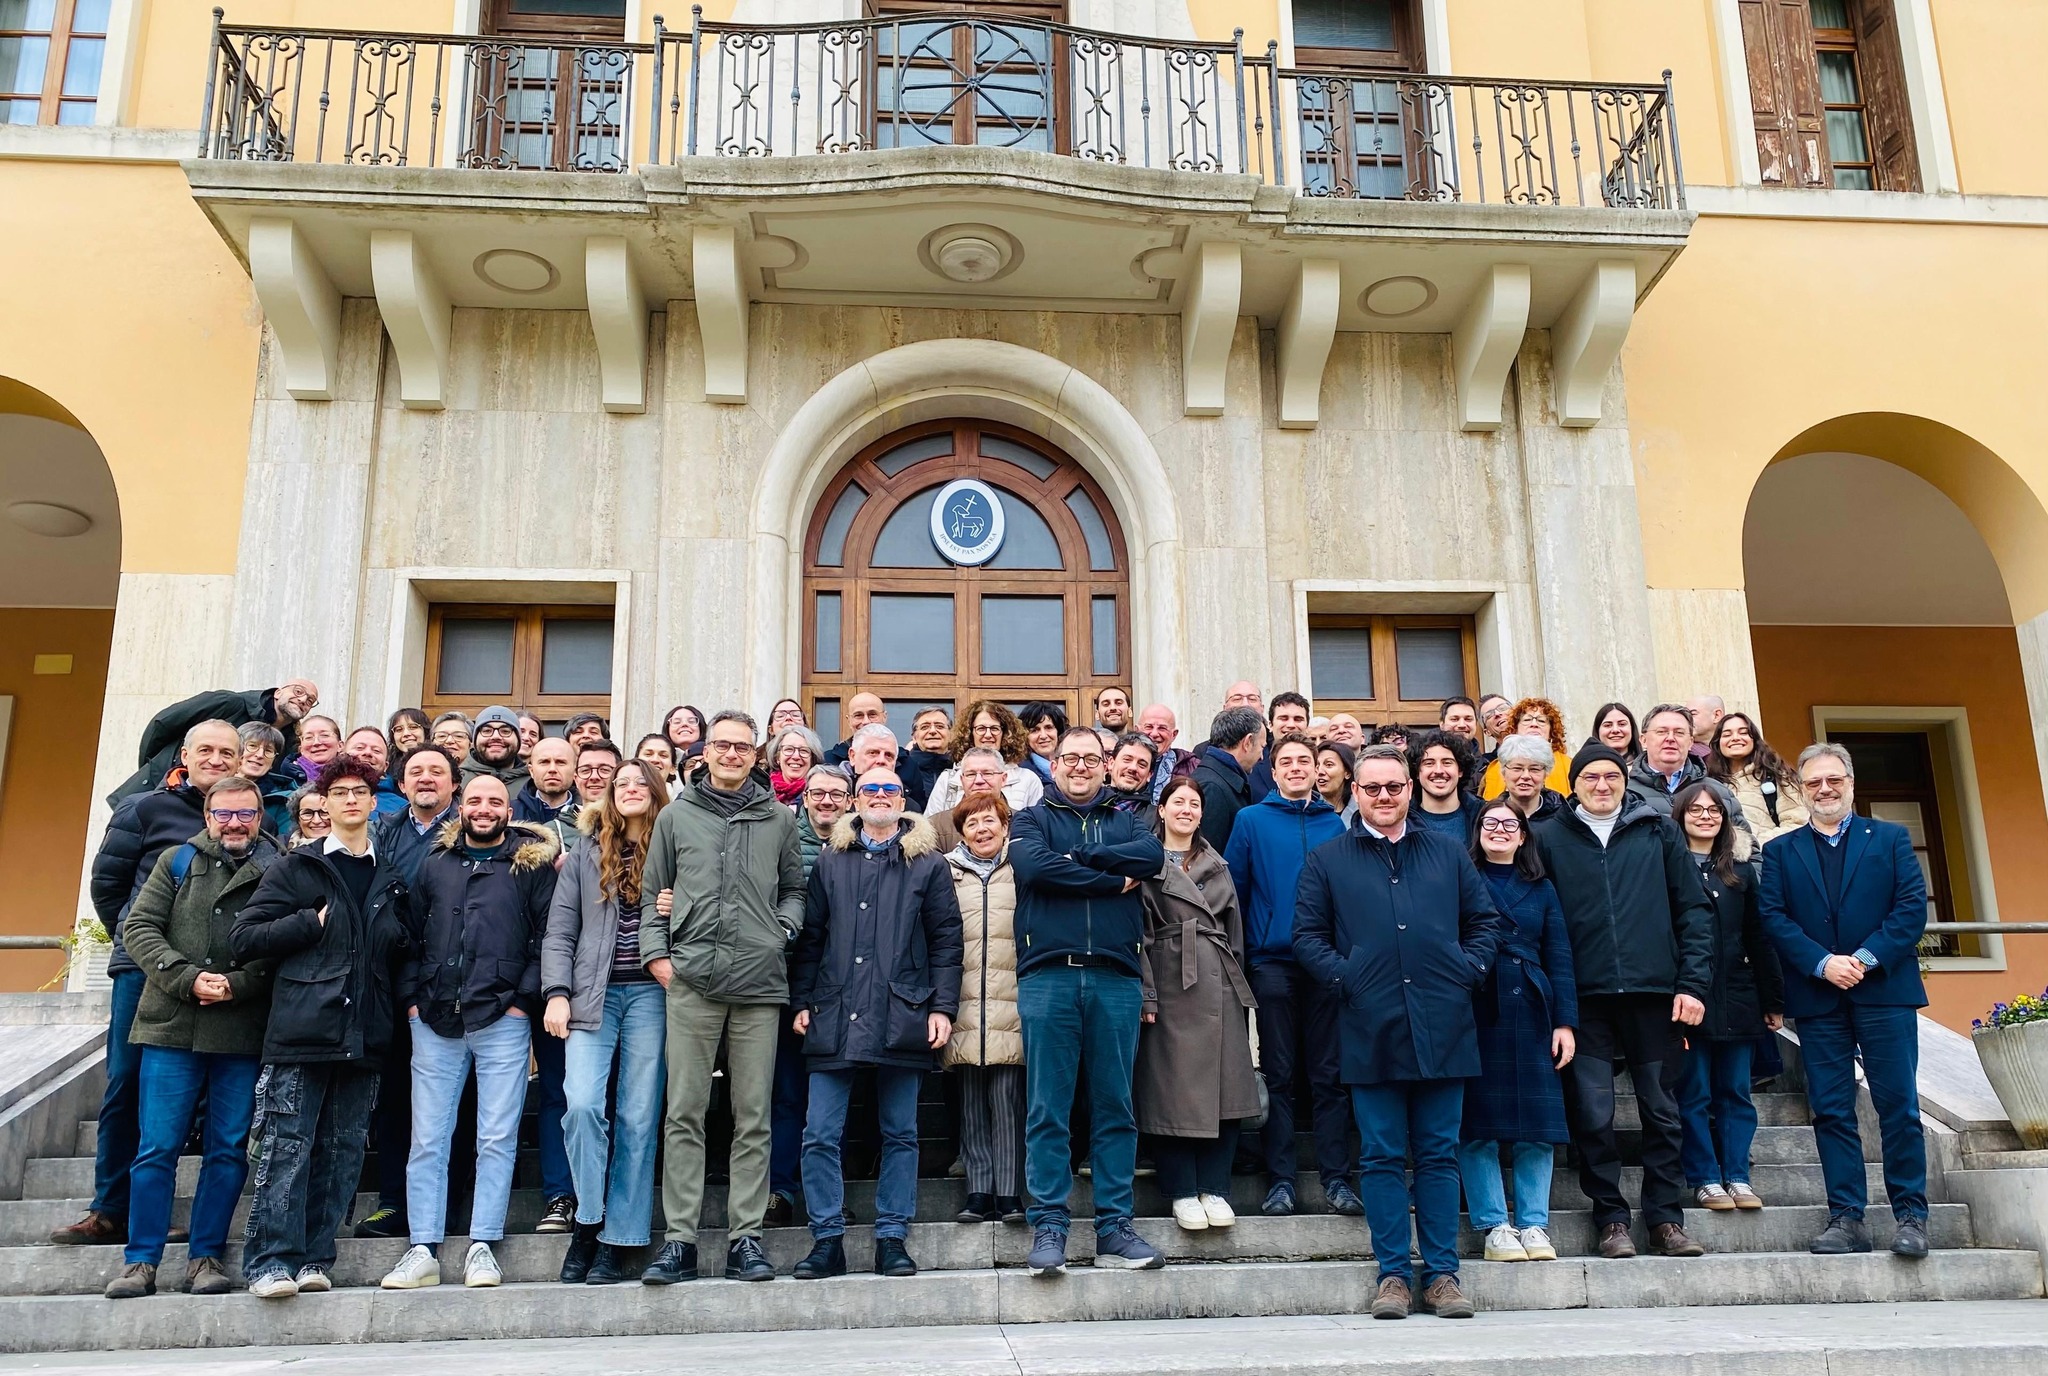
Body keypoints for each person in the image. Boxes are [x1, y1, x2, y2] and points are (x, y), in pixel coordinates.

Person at [1292, 745, 1502, 1321]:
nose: (1384, 797)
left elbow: (1484, 923)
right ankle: (1392, 1276)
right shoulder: (1328, 859)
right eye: (1372, 788)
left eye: (1394, 786)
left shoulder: (1450, 853)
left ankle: (1441, 1276)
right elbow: (1306, 936)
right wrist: (1347, 978)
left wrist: (1468, 971)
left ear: (1410, 788)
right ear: (1355, 792)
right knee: (1382, 1157)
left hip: (1444, 1022)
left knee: (1437, 1156)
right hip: (1368, 1024)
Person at [55, 720, 244, 1250]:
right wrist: (146, 946)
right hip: (145, 975)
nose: (216, 758)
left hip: (216, 980)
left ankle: (157, 1212)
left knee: (196, 1096)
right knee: (127, 1083)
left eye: (226, 752)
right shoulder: (144, 809)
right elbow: (109, 888)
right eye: (205, 749)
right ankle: (110, 1207)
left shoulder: (247, 820)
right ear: (184, 754)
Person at [231, 755, 410, 1298]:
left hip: (365, 1032)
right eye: (340, 793)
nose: (351, 800)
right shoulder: (296, 868)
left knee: (343, 1151)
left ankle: (314, 1257)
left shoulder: (391, 876)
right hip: (303, 1029)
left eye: (360, 792)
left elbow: (403, 949)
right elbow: (244, 939)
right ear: (324, 805)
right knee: (287, 1146)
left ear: (373, 802)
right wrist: (308, 922)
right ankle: (269, 1262)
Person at [638, 710, 804, 1285]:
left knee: (752, 1116)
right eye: (722, 746)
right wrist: (659, 957)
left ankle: (745, 1240)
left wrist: (781, 931)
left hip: (759, 985)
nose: (732, 754)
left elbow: (795, 889)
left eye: (742, 747)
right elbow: (651, 891)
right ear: (706, 752)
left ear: (757, 755)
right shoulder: (676, 817)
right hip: (691, 982)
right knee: (683, 1113)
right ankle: (680, 1240)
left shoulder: (779, 819)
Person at [101, 775, 281, 1299]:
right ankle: (141, 1261)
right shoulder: (175, 862)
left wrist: (238, 984)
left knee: (227, 1150)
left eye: (245, 814)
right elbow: (138, 928)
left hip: (240, 1030)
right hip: (170, 1027)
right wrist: (184, 976)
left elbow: (285, 939)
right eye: (223, 814)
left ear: (259, 816)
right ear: (208, 817)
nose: (234, 824)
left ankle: (206, 1257)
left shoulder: (276, 868)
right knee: (156, 1147)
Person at [1532, 742, 1712, 1260]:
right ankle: (1610, 1218)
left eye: (1611, 776)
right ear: (1575, 785)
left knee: (1662, 1111)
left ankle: (1664, 1220)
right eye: (1591, 778)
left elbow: (1694, 911)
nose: (1602, 785)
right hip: (1583, 999)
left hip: (1655, 995)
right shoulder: (1547, 837)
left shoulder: (1658, 830)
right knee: (1592, 1113)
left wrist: (1692, 985)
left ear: (1624, 779)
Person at [380, 774, 558, 1292]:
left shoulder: (531, 864)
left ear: (509, 809)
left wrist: (524, 1002)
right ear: (461, 806)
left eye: (495, 802)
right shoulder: (435, 863)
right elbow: (408, 935)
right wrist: (411, 1001)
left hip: (502, 1016)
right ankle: (423, 1248)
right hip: (435, 1016)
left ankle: (483, 1243)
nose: (484, 809)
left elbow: (547, 935)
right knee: (428, 1139)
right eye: (475, 801)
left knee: (497, 1136)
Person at [788, 766, 963, 1280]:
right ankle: (826, 1240)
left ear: (902, 799)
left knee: (901, 1131)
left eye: (889, 789)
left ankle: (892, 1236)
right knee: (819, 1132)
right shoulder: (830, 860)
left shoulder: (928, 864)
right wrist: (802, 998)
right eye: (870, 789)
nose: (880, 796)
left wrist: (942, 1007)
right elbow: (812, 937)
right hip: (834, 1009)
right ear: (856, 800)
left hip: (902, 1010)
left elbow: (947, 942)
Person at [1759, 742, 1931, 1259]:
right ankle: (1847, 1218)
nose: (1825, 790)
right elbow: (1774, 918)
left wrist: (1865, 958)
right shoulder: (1781, 852)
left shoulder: (1893, 839)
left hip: (1885, 992)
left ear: (1851, 783)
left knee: (1897, 1106)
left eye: (1834, 780)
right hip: (1818, 998)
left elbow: (1910, 909)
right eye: (1813, 783)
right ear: (1802, 789)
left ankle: (1912, 1217)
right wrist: (1823, 963)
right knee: (1831, 1111)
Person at [1009, 726, 1167, 1276]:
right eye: (1069, 758)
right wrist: (1107, 878)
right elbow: (1034, 867)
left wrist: (1082, 854)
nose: (1079, 766)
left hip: (1116, 979)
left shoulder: (1130, 818)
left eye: (1090, 758)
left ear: (1105, 765)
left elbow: (1150, 858)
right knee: (1048, 1108)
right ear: (1053, 766)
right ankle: (1049, 1225)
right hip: (1048, 977)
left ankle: (1114, 1229)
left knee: (1115, 1108)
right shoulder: (1029, 819)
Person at [542, 758, 672, 1285]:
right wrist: (556, 993)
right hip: (591, 998)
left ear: (656, 791)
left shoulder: (675, 847)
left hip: (652, 997)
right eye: (622, 784)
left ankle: (622, 1238)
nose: (631, 790)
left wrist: (675, 901)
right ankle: (589, 1222)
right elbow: (559, 930)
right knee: (581, 1106)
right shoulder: (585, 851)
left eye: (641, 782)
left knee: (638, 1119)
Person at [1222, 732, 1355, 1217]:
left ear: (1319, 771)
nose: (1297, 768)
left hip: (1327, 965)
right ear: (1273, 772)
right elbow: (1233, 890)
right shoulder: (1250, 820)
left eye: (1307, 761)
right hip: (1272, 961)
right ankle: (1281, 1182)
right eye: (1287, 762)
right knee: (1278, 1074)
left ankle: (1337, 1179)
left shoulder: (1336, 826)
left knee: (1329, 1075)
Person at [1458, 801, 1577, 1265]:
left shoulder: (1542, 888)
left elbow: (1560, 956)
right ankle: (1494, 1226)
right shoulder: (1462, 880)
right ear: (1478, 831)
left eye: (1511, 824)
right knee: (1477, 1123)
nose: (1500, 830)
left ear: (1524, 836)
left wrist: (1565, 1022)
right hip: (1476, 1006)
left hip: (1532, 1006)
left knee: (1537, 1125)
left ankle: (1533, 1223)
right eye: (1491, 823)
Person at [1138, 777, 1260, 1233]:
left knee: (1227, 1088)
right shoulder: (1144, 861)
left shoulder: (1218, 863)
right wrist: (1147, 992)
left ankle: (1216, 1187)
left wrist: (1238, 988)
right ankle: (1183, 1191)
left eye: (1194, 804)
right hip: (1171, 983)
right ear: (1162, 810)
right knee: (1172, 1090)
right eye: (1178, 803)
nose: (1187, 810)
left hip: (1219, 982)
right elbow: (1138, 935)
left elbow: (1236, 931)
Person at [353, 742, 462, 1242]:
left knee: (461, 1101)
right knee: (397, 1097)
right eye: (415, 771)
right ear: (400, 785)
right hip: (391, 982)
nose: (425, 779)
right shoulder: (381, 834)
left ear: (454, 784)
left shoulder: (474, 828)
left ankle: (456, 1200)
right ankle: (395, 1201)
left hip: (455, 983)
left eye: (437, 772)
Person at [1672, 780, 1785, 1213]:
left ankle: (1737, 1175)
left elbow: (1760, 938)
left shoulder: (1740, 874)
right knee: (1694, 1093)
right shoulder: (1668, 870)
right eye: (1696, 809)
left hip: (1739, 999)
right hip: (1688, 1002)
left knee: (1736, 1092)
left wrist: (1773, 1000)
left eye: (1714, 810)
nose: (1705, 816)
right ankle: (1703, 1177)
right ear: (1680, 816)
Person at [765, 762, 853, 1226]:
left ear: (849, 800)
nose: (826, 801)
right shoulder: (780, 837)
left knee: (834, 1100)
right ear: (804, 797)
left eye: (836, 794)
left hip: (844, 989)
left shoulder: (862, 844)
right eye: (818, 793)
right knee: (786, 1091)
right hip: (783, 981)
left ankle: (829, 1191)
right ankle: (780, 1188)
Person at [943, 791, 1025, 1225]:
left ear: (1005, 824)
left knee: (1007, 1097)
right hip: (964, 998)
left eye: (990, 820)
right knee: (971, 1097)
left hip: (1012, 997)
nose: (982, 829)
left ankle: (1009, 1193)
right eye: (972, 823)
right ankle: (978, 1191)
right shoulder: (947, 871)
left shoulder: (1022, 866)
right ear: (961, 831)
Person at [108, 679, 318, 805]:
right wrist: (155, 768)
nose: (302, 700)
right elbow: (163, 724)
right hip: (154, 792)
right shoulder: (229, 703)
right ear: (278, 692)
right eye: (298, 691)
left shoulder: (290, 744)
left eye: (310, 700)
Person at [926, 702, 1045, 816]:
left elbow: (1038, 824)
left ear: (1005, 733)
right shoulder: (948, 779)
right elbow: (931, 826)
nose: (988, 735)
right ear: (969, 733)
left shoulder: (1027, 779)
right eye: (981, 728)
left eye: (994, 728)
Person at [1707, 712, 1810, 843]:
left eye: (1743, 732)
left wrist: (1756, 844)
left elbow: (1797, 823)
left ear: (1754, 739)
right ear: (1718, 742)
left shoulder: (1777, 776)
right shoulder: (1709, 782)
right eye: (1727, 734)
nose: (1735, 738)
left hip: (1767, 859)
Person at [1191, 706, 1267, 853]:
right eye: (1261, 747)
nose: (1262, 756)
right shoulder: (1211, 787)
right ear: (1248, 742)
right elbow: (1208, 860)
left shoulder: (1217, 780)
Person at [1479, 698, 1569, 799]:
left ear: (1551, 731)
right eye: (1527, 720)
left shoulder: (1569, 765)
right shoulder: (1494, 770)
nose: (1534, 724)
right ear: (1515, 728)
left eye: (1541, 720)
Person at [1628, 703, 1705, 816]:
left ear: (1690, 742)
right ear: (1644, 740)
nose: (1670, 738)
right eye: (1661, 732)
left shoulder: (1718, 792)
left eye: (1679, 733)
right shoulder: (1624, 792)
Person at [1407, 730, 1482, 842]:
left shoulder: (1482, 815)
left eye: (1447, 763)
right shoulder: (1403, 819)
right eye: (1429, 763)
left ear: (1460, 770)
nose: (1438, 770)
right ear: (1417, 772)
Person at [516, 736, 583, 849]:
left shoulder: (588, 816)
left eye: (561, 762)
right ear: (531, 771)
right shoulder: (511, 814)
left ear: (574, 770)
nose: (552, 769)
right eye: (544, 762)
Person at [237, 721, 298, 835]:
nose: (260, 755)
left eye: (268, 751)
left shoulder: (284, 801)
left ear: (273, 763)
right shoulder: (209, 788)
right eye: (252, 746)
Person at [1248, 692, 1311, 800]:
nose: (1291, 725)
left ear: (1307, 726)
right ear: (1270, 725)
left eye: (1298, 719)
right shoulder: (1251, 763)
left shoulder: (1318, 764)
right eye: (1284, 718)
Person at [461, 705, 532, 795]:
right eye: (487, 731)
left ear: (518, 739)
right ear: (475, 740)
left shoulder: (533, 784)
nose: (496, 736)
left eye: (505, 731)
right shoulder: (454, 780)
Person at [1495, 735, 1566, 822]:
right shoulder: (1492, 816)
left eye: (1534, 769)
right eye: (1517, 768)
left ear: (1545, 774)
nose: (1526, 776)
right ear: (1503, 773)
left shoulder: (1564, 817)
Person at [344, 728, 406, 819]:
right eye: (359, 748)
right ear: (341, 756)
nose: (368, 753)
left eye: (376, 751)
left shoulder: (404, 809)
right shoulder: (321, 796)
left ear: (386, 766)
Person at [1137, 703, 1191, 801]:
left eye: (1162, 728)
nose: (1154, 734)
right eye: (1149, 727)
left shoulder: (1191, 767)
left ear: (1174, 734)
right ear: (1137, 730)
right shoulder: (1123, 764)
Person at [1105, 733, 1159, 829]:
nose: (1133, 768)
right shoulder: (1085, 805)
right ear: (1111, 763)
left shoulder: (1157, 818)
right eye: (1127, 759)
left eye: (1142, 764)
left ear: (1149, 775)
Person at [821, 693, 887, 766]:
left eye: (872, 714)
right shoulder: (827, 762)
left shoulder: (900, 760)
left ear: (884, 717)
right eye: (858, 715)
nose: (866, 722)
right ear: (849, 720)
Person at [768, 725, 824, 806]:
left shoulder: (821, 794)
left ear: (812, 759)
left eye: (804, 751)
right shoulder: (762, 791)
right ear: (777, 757)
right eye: (789, 749)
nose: (796, 756)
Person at [1016, 701, 1067, 786]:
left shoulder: (1073, 765)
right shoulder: (1020, 774)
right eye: (1034, 730)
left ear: (1059, 731)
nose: (1043, 736)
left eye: (1048, 727)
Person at [1315, 741, 1355, 815]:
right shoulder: (1306, 812)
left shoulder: (1361, 813)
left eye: (1329, 765)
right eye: (1317, 765)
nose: (1320, 771)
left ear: (1347, 773)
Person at [1686, 695, 1727, 760]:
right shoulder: (1683, 752)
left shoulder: (1734, 748)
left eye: (1693, 714)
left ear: (1716, 716)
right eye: (1685, 715)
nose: (1686, 720)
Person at [1477, 694, 1513, 766]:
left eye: (1502, 708)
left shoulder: (1538, 746)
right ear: (1487, 732)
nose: (1497, 714)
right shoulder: (1486, 765)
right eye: (1489, 715)